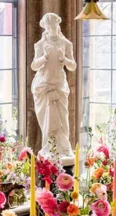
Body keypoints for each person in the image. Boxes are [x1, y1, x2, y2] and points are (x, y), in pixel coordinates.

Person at [31, 13, 76, 161]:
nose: (52, 29)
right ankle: (49, 148)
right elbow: (33, 66)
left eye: (54, 25)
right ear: (46, 27)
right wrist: (44, 57)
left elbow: (73, 66)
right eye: (49, 26)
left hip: (59, 86)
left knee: (63, 120)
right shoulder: (40, 45)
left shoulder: (66, 44)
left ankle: (63, 148)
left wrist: (64, 58)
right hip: (44, 87)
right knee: (48, 122)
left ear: (58, 25)